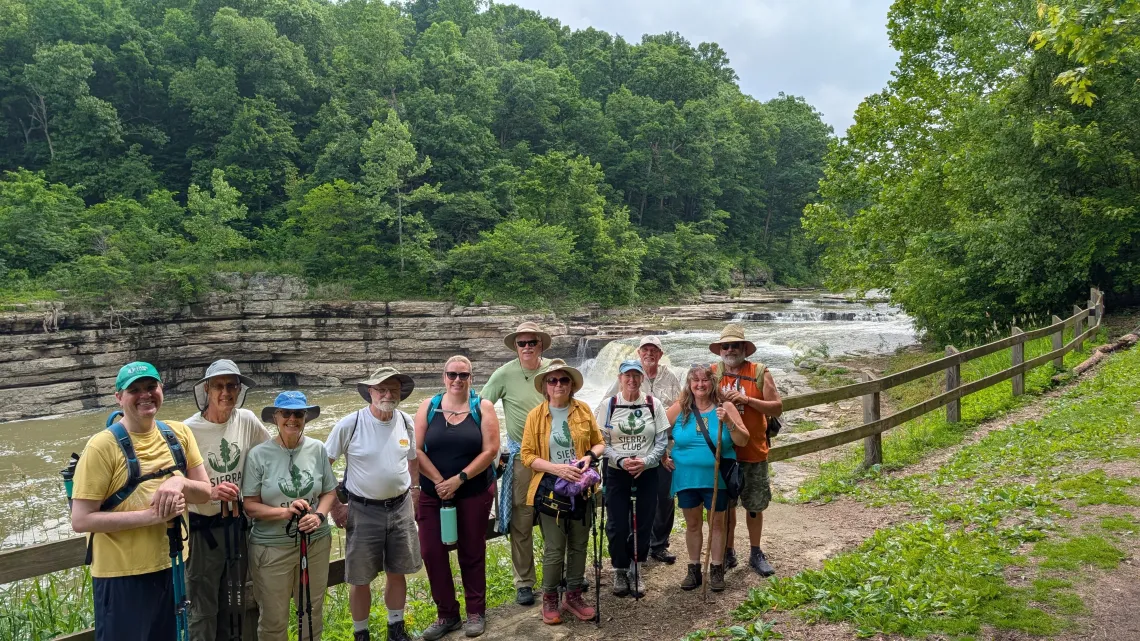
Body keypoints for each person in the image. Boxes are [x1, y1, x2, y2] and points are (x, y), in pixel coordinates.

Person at [70, 362, 220, 641]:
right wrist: (152, 517)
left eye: (151, 387)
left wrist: (179, 482)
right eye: (134, 390)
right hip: (121, 576)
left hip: (173, 565)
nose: (145, 395)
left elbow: (205, 491)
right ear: (119, 397)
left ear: (161, 389)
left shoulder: (178, 434)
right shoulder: (101, 447)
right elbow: (80, 520)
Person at [325, 367, 423, 641]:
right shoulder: (350, 423)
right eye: (381, 389)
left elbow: (412, 458)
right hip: (363, 509)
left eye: (393, 389)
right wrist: (336, 507)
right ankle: (361, 634)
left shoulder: (405, 421)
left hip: (401, 507)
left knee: (397, 570)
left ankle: (396, 629)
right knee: (359, 577)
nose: (388, 394)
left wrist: (415, 491)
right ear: (370, 392)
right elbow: (323, 465)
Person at [414, 356, 501, 640]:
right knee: (431, 552)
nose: (457, 380)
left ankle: (475, 612)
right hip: (433, 493)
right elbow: (416, 450)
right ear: (444, 377)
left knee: (472, 551)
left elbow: (490, 451)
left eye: (463, 375)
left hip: (473, 492)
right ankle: (447, 614)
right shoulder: (428, 407)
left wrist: (459, 479)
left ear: (471, 378)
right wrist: (441, 482)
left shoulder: (482, 407)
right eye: (452, 375)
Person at [183, 359, 270, 641]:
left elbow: (270, 457)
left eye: (232, 385)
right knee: (202, 608)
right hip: (201, 532)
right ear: (206, 390)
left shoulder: (246, 420)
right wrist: (209, 490)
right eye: (218, 386)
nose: (226, 392)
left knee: (234, 603)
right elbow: (175, 483)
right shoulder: (186, 431)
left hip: (237, 527)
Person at [243, 391, 337, 641]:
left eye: (298, 413)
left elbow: (329, 492)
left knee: (312, 611)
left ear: (306, 417)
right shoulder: (258, 455)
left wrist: (318, 516)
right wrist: (284, 512)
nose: (292, 419)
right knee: (273, 619)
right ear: (276, 417)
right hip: (271, 548)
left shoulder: (317, 449)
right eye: (286, 413)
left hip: (315, 543)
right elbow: (250, 505)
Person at [521, 359, 605, 625]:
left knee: (579, 545)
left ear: (571, 385)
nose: (558, 385)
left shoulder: (583, 410)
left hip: (581, 488)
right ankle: (550, 599)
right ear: (546, 386)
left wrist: (590, 457)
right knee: (555, 548)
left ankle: (574, 595)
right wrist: (557, 469)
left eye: (563, 380)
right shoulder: (536, 415)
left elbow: (599, 442)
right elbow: (527, 456)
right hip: (549, 489)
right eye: (552, 380)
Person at [480, 321, 553, 607]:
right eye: (521, 343)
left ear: (541, 345)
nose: (526, 348)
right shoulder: (504, 374)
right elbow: (482, 408)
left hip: (553, 456)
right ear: (515, 347)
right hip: (522, 456)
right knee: (522, 519)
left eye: (531, 343)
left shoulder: (553, 373)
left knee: (554, 516)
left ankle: (554, 575)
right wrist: (493, 446)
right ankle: (524, 582)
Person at [600, 335, 683, 564]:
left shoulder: (671, 378)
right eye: (645, 349)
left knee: (664, 498)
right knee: (625, 506)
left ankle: (658, 545)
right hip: (624, 454)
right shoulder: (625, 381)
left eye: (653, 350)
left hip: (663, 446)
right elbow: (603, 411)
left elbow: (682, 405)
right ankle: (627, 550)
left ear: (660, 354)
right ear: (639, 353)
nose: (649, 353)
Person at [667, 364, 749, 592]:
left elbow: (743, 440)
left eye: (705, 380)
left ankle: (716, 568)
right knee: (692, 524)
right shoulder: (681, 408)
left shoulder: (726, 407)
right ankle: (693, 568)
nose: (700, 385)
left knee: (717, 524)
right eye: (696, 381)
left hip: (717, 478)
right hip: (686, 477)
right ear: (690, 384)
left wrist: (730, 422)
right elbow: (657, 430)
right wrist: (663, 454)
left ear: (713, 383)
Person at [711, 324, 783, 577]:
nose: (730, 350)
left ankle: (755, 551)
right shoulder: (712, 374)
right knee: (725, 506)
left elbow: (776, 408)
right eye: (725, 346)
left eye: (735, 345)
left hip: (754, 451)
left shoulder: (760, 372)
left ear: (744, 349)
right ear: (720, 350)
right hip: (725, 454)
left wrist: (747, 400)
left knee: (754, 505)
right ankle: (728, 551)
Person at [596, 359, 669, 597]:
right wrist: (621, 461)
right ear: (619, 378)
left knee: (644, 521)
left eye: (636, 375)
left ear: (642, 378)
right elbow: (602, 443)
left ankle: (636, 567)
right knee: (617, 523)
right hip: (617, 473)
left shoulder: (653, 404)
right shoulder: (608, 405)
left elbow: (661, 440)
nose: (632, 380)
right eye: (627, 375)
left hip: (646, 472)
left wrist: (646, 462)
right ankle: (619, 568)